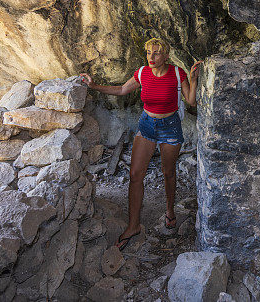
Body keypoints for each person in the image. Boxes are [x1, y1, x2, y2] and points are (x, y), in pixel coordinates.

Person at [79, 37, 202, 251]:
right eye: (148, 53)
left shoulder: (176, 73)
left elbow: (191, 101)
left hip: (170, 126)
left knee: (168, 172)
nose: (151, 57)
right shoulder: (143, 73)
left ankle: (170, 211)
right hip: (147, 125)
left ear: (166, 55)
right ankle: (133, 225)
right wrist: (94, 85)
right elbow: (121, 90)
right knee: (136, 175)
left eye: (156, 53)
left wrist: (192, 78)